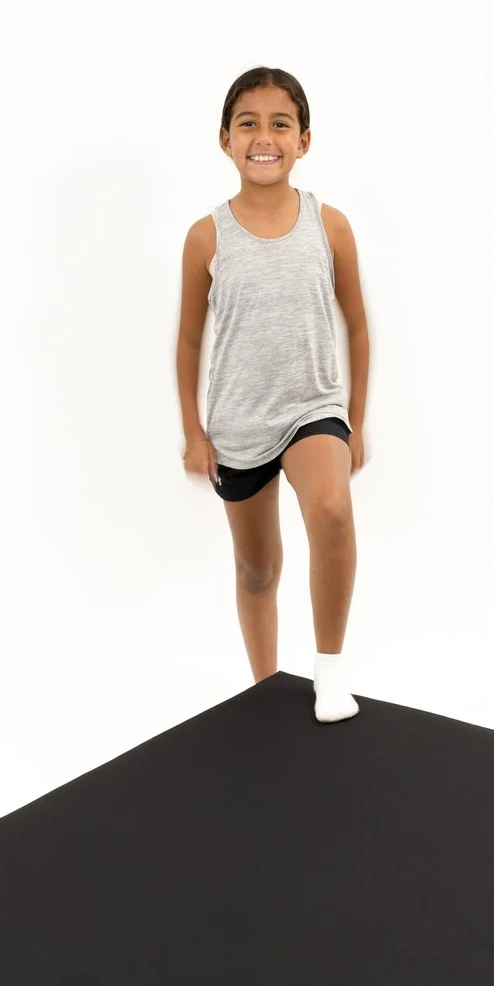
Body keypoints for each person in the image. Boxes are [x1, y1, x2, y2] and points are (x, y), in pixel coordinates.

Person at [175, 65, 371, 723]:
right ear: (225, 139)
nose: (264, 137)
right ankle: (264, 687)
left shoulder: (329, 225)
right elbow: (189, 341)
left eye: (280, 124)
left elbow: (357, 324)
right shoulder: (206, 237)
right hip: (238, 423)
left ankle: (330, 671)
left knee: (333, 510)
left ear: (304, 141)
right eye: (248, 124)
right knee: (258, 569)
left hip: (313, 407)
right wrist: (194, 432)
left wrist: (355, 420)